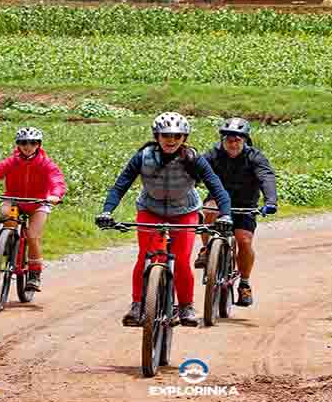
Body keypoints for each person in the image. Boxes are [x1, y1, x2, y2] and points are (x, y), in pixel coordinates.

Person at [95, 112, 233, 327]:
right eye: (166, 135)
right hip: (150, 209)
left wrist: (225, 214)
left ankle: (186, 306)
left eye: (177, 136)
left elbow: (217, 187)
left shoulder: (194, 159)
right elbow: (121, 185)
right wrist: (107, 211)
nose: (171, 140)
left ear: (184, 138)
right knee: (144, 257)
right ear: (157, 136)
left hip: (184, 211)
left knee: (181, 258)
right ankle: (138, 305)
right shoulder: (144, 156)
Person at [0, 127, 66, 292]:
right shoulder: (11, 162)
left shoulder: (46, 164)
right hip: (14, 201)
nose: (27, 146)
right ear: (18, 144)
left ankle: (34, 274)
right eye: (23, 142)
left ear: (38, 145)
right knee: (6, 214)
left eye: (32, 142)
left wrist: (55, 195)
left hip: (39, 203)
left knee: (32, 236)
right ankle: (5, 245)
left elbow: (57, 180)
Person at [195, 118, 277, 307]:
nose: (233, 144)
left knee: (244, 240)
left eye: (237, 140)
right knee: (208, 209)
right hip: (218, 201)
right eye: (229, 140)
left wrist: (270, 201)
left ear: (245, 141)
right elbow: (195, 173)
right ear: (222, 140)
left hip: (245, 204)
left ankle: (245, 284)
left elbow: (267, 178)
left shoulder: (255, 157)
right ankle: (207, 250)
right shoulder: (213, 155)